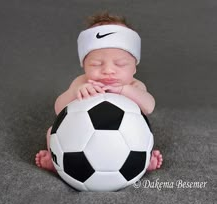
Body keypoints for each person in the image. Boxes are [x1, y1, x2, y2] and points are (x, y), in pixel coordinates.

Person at [35, 12, 163, 173]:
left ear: (134, 67)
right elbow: (59, 108)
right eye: (96, 64)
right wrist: (76, 92)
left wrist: (124, 90)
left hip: (124, 136)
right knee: (51, 131)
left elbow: (149, 106)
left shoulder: (134, 85)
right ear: (84, 65)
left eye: (120, 64)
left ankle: (143, 161)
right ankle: (57, 161)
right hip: (82, 133)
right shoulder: (82, 82)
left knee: (143, 134)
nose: (108, 70)